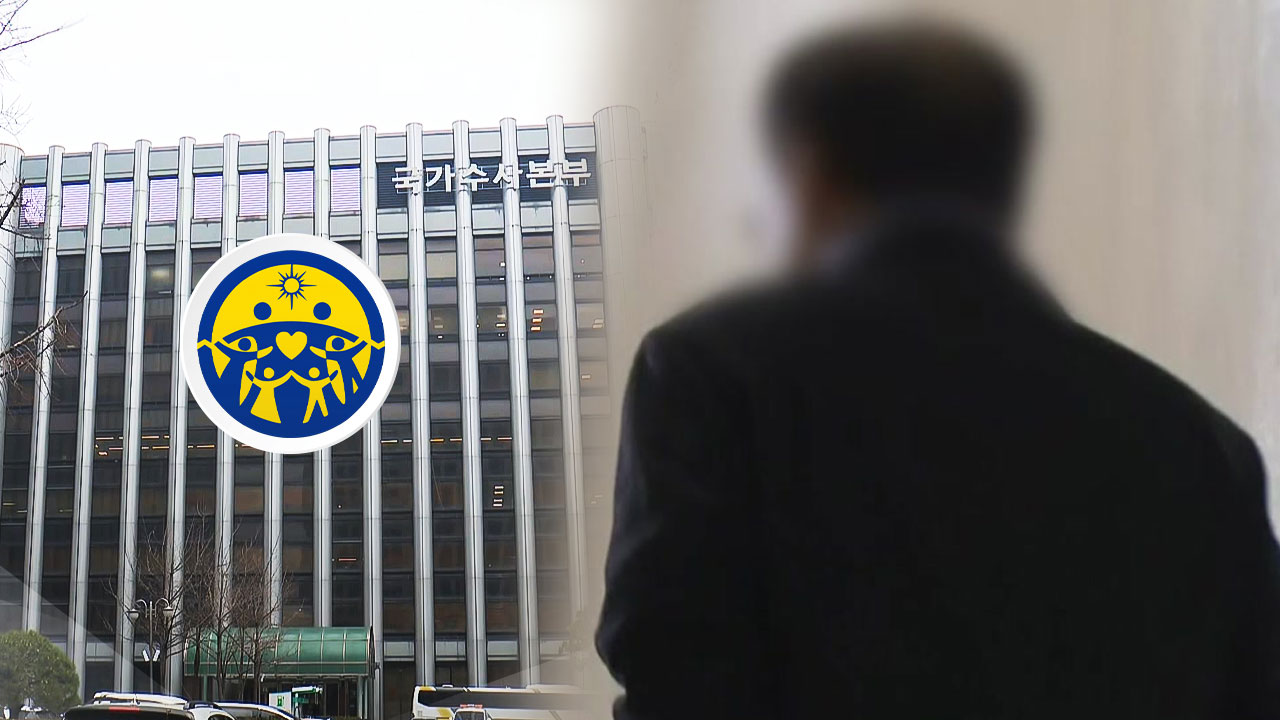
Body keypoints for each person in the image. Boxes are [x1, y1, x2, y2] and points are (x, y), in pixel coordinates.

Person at [596, 19, 1280, 720]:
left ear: (814, 174)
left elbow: (675, 681)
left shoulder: (713, 376)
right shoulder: (1205, 449)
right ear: (1002, 182)